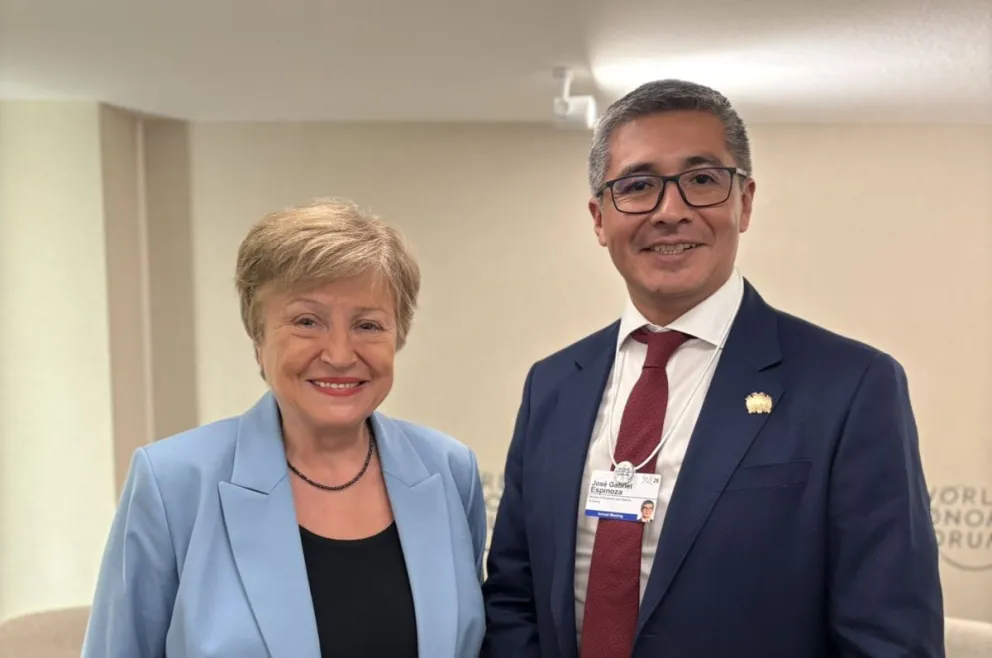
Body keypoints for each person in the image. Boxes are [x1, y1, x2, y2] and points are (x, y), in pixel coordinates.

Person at [481, 80, 943, 657]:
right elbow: (513, 596)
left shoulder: (851, 387)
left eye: (701, 180)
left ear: (744, 202)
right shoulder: (551, 385)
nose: (670, 211)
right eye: (638, 186)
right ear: (600, 219)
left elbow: (889, 634)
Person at [82, 198, 487, 658]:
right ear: (258, 337)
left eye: (368, 325)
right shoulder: (172, 482)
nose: (339, 353)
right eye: (306, 322)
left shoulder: (448, 471)